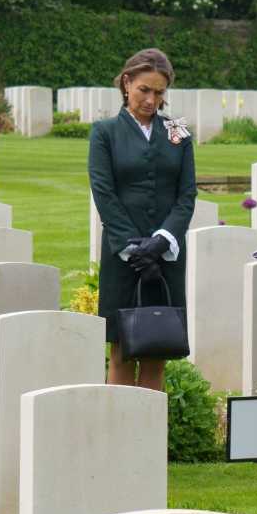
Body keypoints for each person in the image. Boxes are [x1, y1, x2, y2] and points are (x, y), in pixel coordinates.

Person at [88, 48, 198, 389]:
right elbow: (104, 193)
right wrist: (134, 248)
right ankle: (116, 438)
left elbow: (186, 194)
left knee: (156, 350)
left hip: (166, 256)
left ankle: (148, 439)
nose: (151, 100)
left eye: (159, 93)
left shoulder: (177, 132)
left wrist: (163, 240)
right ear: (126, 83)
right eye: (144, 90)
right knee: (122, 351)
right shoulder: (104, 132)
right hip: (124, 257)